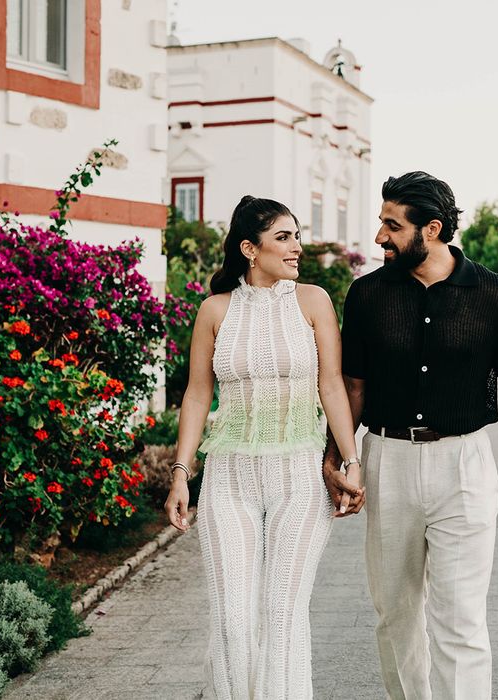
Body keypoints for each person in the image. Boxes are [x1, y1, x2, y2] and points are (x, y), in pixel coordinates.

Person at [322, 172, 498, 699]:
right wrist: (337, 457)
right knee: (396, 617)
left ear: (431, 229)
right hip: (388, 460)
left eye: (392, 225)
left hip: (466, 466)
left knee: (460, 619)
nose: (380, 237)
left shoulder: (495, 295)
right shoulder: (366, 295)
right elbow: (353, 386)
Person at [165, 196, 363, 699]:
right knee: (232, 616)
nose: (297, 247)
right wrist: (181, 473)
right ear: (249, 249)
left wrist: (351, 460)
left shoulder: (313, 301)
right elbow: (197, 392)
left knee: (281, 613)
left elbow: (333, 386)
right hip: (229, 476)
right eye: (284, 237)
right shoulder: (215, 310)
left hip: (299, 475)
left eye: (297, 235)